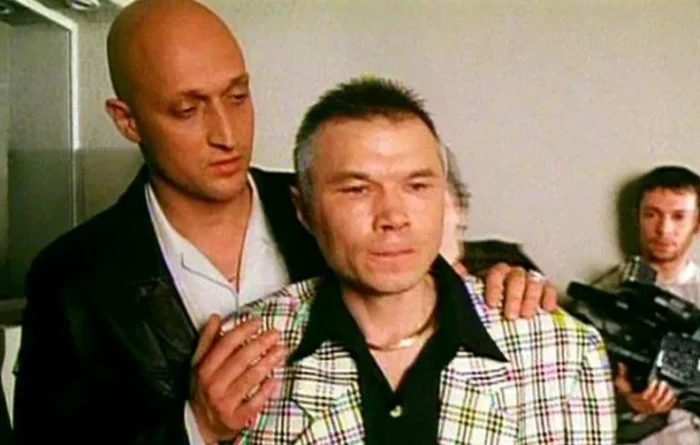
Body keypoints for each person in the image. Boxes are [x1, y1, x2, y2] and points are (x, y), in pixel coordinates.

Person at [12, 1, 557, 444]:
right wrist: (195, 429)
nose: (227, 133)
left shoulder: (330, 205)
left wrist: (501, 285)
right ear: (127, 120)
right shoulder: (71, 280)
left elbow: (423, 273)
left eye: (238, 96)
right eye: (187, 110)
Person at [224, 76, 616, 444]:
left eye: (416, 186)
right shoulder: (245, 352)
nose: (393, 217)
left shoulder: (562, 351)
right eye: (357, 189)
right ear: (304, 210)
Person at [591, 165, 700, 444]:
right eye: (652, 214)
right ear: (636, 218)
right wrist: (629, 401)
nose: (664, 229)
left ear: (697, 222)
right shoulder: (604, 298)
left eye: (679, 217)